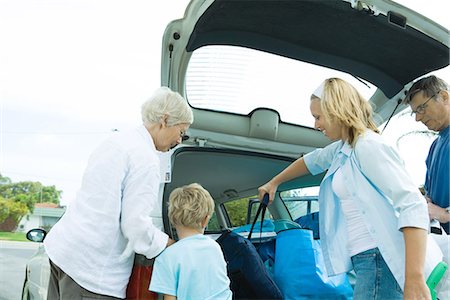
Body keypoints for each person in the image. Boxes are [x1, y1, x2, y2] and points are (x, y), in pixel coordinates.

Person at [258, 78, 442, 299]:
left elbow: (412, 205)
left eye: (318, 117)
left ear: (337, 110)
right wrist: (274, 182)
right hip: (367, 259)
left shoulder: (368, 146)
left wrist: (414, 279)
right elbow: (311, 161)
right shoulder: (343, 149)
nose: (316, 125)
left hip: (380, 258)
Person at [43, 87, 194, 299]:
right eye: (181, 132)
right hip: (92, 274)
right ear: (165, 120)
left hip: (63, 251)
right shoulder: (146, 160)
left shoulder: (117, 141)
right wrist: (169, 245)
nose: (180, 140)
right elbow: (135, 226)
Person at [149, 183, 232, 300]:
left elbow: (169, 298)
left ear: (172, 219)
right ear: (206, 220)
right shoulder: (215, 247)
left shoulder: (166, 257)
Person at [404, 75, 449, 234]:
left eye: (422, 108)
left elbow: (442, 213)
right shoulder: (435, 147)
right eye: (415, 112)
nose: (417, 118)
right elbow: (430, 196)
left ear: (444, 97)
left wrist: (445, 214)